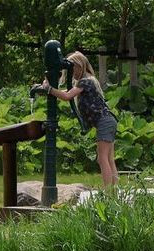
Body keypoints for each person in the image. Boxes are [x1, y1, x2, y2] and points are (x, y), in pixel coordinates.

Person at [42, 51, 119, 188]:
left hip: (104, 122)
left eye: (73, 69)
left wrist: (49, 89)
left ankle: (109, 193)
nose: (71, 72)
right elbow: (67, 93)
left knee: (102, 159)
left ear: (80, 66)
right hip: (108, 120)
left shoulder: (85, 81)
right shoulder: (88, 80)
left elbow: (67, 97)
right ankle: (115, 192)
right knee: (108, 159)